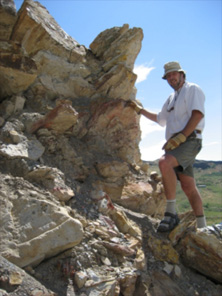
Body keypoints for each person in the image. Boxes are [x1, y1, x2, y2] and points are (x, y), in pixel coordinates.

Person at [130, 61, 207, 232]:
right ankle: (203, 227)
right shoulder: (171, 98)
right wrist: (140, 110)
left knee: (164, 163)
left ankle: (170, 214)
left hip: (189, 139)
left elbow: (197, 114)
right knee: (188, 186)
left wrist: (181, 136)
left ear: (182, 75)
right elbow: (160, 119)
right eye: (168, 76)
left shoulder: (192, 89)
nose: (171, 78)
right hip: (175, 144)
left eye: (174, 74)